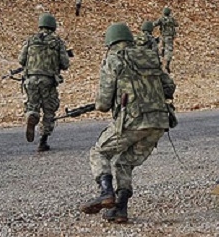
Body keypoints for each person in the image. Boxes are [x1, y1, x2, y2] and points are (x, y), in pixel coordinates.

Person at [80, 22, 176, 223]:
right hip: (159, 121)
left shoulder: (113, 61)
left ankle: (106, 192)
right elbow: (169, 87)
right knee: (124, 162)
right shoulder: (148, 56)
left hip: (132, 120)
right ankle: (120, 210)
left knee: (99, 152)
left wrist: (105, 100)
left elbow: (104, 104)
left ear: (110, 43)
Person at [18, 12, 71, 152]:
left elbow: (21, 60)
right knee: (49, 110)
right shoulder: (57, 42)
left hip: (30, 79)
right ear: (53, 26)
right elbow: (65, 64)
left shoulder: (30, 40)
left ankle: (31, 114)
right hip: (48, 81)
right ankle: (43, 141)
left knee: (32, 105)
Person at [153, 7, 178, 73]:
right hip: (169, 37)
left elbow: (154, 24)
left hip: (163, 37)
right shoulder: (172, 19)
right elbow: (176, 24)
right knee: (169, 51)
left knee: (162, 49)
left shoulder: (161, 19)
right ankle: (167, 64)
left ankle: (160, 62)